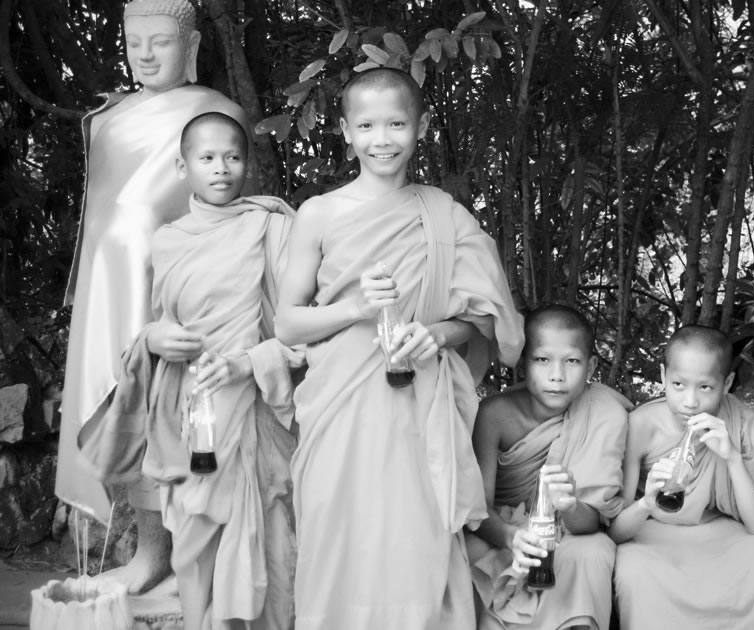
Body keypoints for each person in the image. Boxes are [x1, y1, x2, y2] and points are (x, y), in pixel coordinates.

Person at [275, 67, 524, 630]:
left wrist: (438, 333)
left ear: (422, 126)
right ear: (344, 130)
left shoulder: (445, 216)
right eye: (366, 125)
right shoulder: (319, 214)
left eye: (395, 124)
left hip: (420, 399)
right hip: (341, 399)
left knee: (414, 528)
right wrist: (356, 310)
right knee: (341, 526)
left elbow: (484, 317)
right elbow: (288, 325)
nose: (381, 138)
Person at [57, 0, 251, 594]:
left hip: (185, 282)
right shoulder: (112, 116)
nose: (145, 53)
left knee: (187, 413)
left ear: (190, 46)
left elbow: (202, 196)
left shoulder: (214, 111)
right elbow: (105, 217)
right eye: (134, 40)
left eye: (160, 41)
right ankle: (149, 547)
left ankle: (199, 550)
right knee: (132, 403)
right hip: (112, 283)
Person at [98, 112, 298, 630]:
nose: (221, 169)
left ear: (247, 164)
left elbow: (299, 328)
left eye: (232, 157)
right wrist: (154, 338)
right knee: (191, 529)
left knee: (271, 529)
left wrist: (247, 364)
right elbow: (159, 325)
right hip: (190, 409)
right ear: (182, 166)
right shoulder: (169, 240)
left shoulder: (271, 225)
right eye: (206, 158)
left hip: (256, 405)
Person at [609, 325, 754, 630]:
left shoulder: (742, 423)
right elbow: (615, 531)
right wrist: (647, 503)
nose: (690, 401)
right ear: (662, 375)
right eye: (678, 384)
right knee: (634, 572)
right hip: (653, 536)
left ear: (726, 383)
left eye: (705, 388)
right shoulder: (641, 425)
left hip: (724, 535)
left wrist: (731, 457)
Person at [466, 304, 631, 630]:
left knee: (594, 550)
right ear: (524, 365)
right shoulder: (494, 414)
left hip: (568, 533)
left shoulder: (604, 413)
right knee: (468, 549)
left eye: (571, 361)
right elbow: (478, 510)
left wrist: (570, 505)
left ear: (591, 365)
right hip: (505, 532)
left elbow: (592, 524)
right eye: (543, 360)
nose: (557, 375)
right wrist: (512, 536)